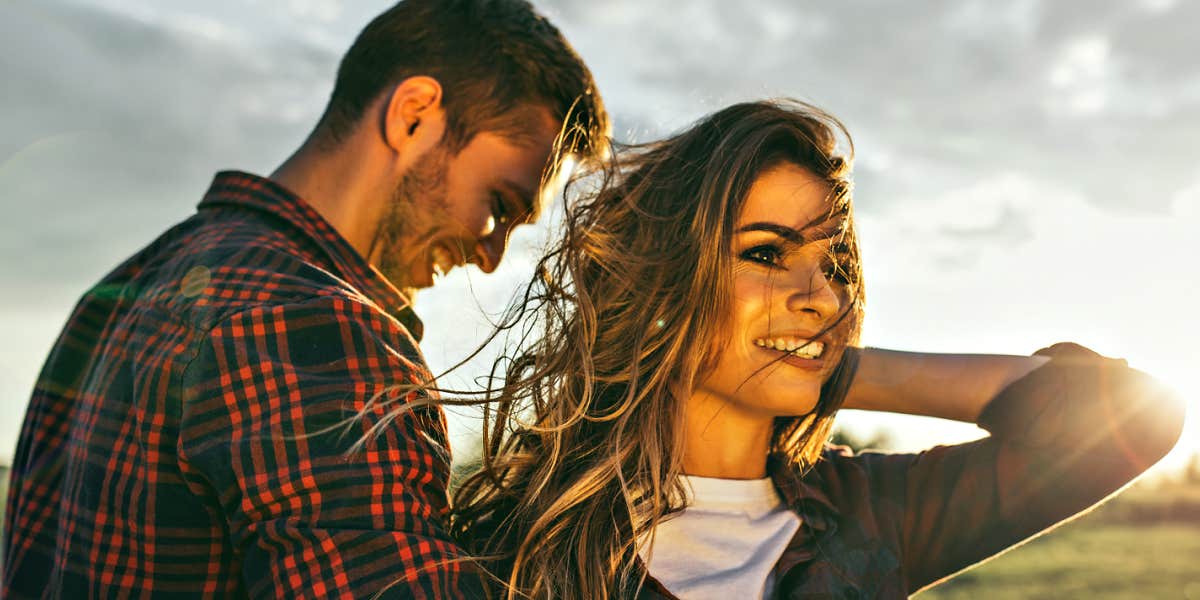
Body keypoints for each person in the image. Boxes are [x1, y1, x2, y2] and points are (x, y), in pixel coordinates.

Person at [447, 100, 1185, 599]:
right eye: (767, 254)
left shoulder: (873, 514)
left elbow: (1132, 418)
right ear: (662, 287)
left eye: (835, 267)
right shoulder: (510, 546)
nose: (825, 296)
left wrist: (821, 361)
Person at [2, 1, 608, 597]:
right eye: (499, 205)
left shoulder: (122, 290)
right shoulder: (315, 326)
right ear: (414, 116)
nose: (491, 254)